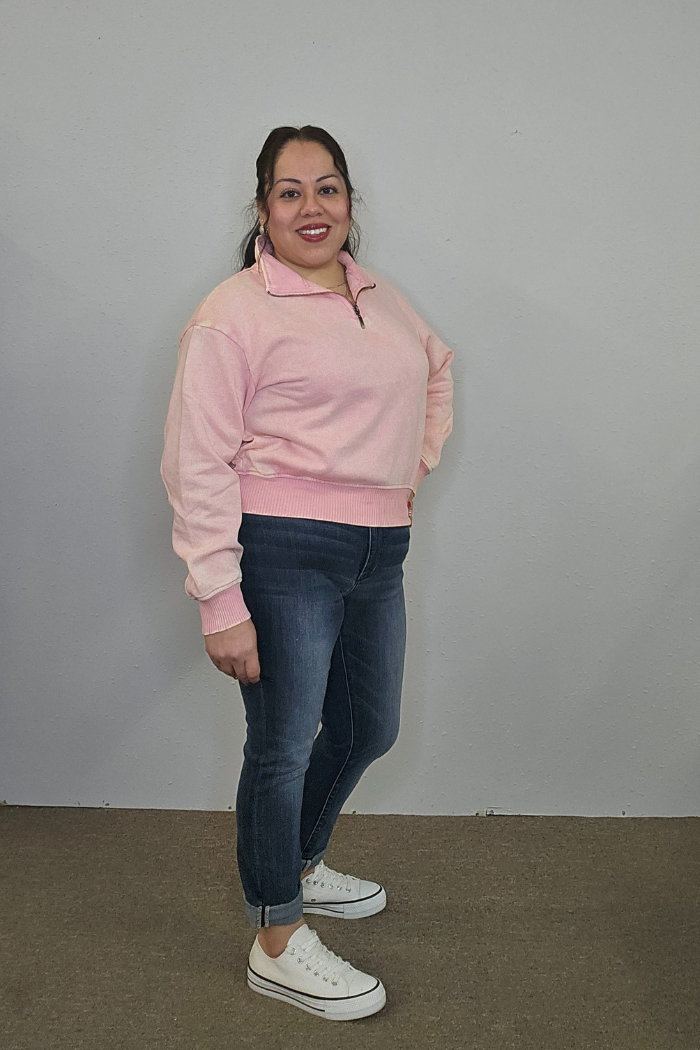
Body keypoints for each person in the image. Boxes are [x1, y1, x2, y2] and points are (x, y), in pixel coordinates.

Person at [160, 125, 454, 1021]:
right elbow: (193, 458)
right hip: (283, 548)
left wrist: (405, 472)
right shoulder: (234, 312)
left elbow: (435, 372)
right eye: (290, 192)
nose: (312, 207)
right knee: (283, 744)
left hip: (378, 547)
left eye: (328, 189)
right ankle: (276, 937)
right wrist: (221, 596)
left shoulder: (384, 299)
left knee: (369, 725)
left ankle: (298, 861)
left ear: (351, 203)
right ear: (261, 210)